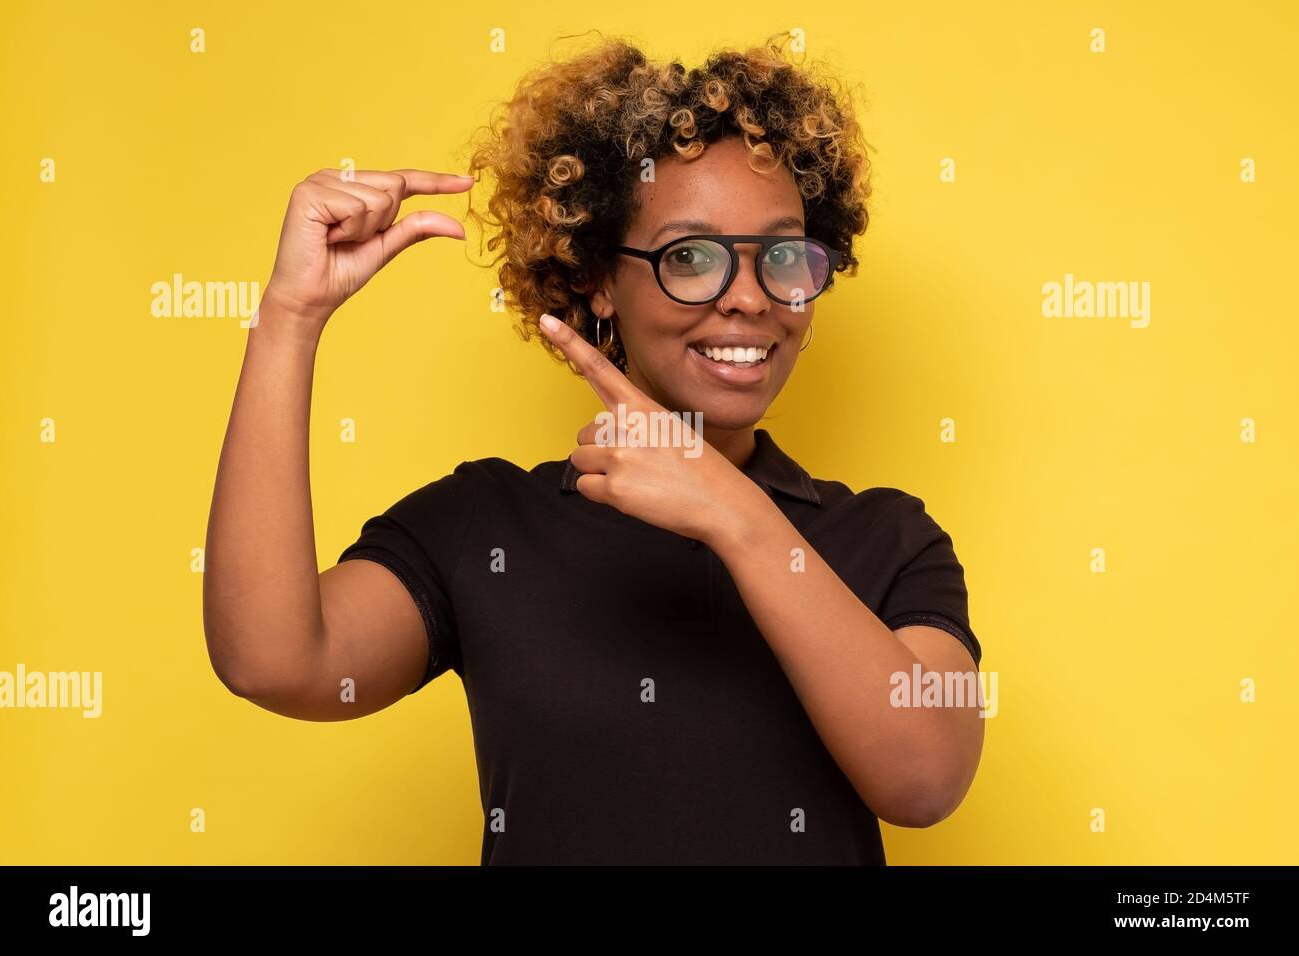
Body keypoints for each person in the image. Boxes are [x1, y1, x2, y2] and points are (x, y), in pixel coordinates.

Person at [202, 32, 984, 865]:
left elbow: (926, 779)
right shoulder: (485, 527)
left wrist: (733, 514)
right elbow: (273, 660)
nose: (751, 298)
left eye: (782, 256)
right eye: (690, 257)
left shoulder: (889, 540)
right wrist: (289, 319)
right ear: (596, 279)